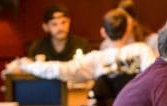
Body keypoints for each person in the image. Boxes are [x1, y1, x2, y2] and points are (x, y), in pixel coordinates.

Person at [9, 8, 156, 82]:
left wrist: (26, 65)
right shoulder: (143, 51)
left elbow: (60, 69)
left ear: (103, 32)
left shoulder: (96, 59)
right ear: (127, 30)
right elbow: (154, 77)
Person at [25, 4, 91, 61]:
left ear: (69, 22)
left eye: (64, 22)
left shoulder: (82, 45)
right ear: (45, 27)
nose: (60, 28)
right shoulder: (37, 48)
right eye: (54, 24)